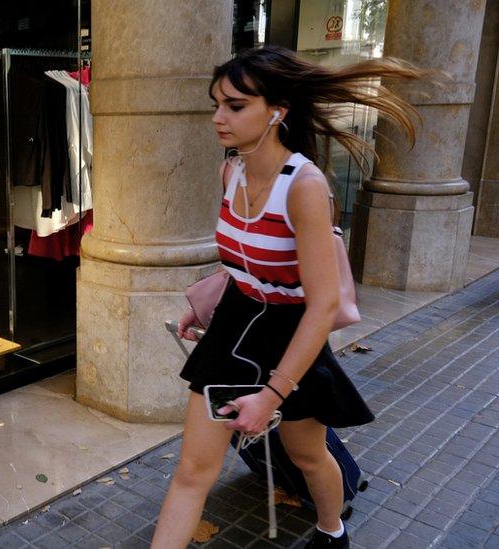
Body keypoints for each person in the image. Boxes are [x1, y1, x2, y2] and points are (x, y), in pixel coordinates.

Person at [153, 46, 424, 549]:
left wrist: (273, 395)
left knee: (306, 454)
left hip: (291, 334)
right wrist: (205, 301)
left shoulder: (304, 185)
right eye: (216, 104)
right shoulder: (231, 171)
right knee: (193, 472)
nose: (218, 117)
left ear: (277, 110)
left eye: (234, 106)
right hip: (234, 328)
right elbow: (245, 257)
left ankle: (331, 529)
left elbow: (322, 304)